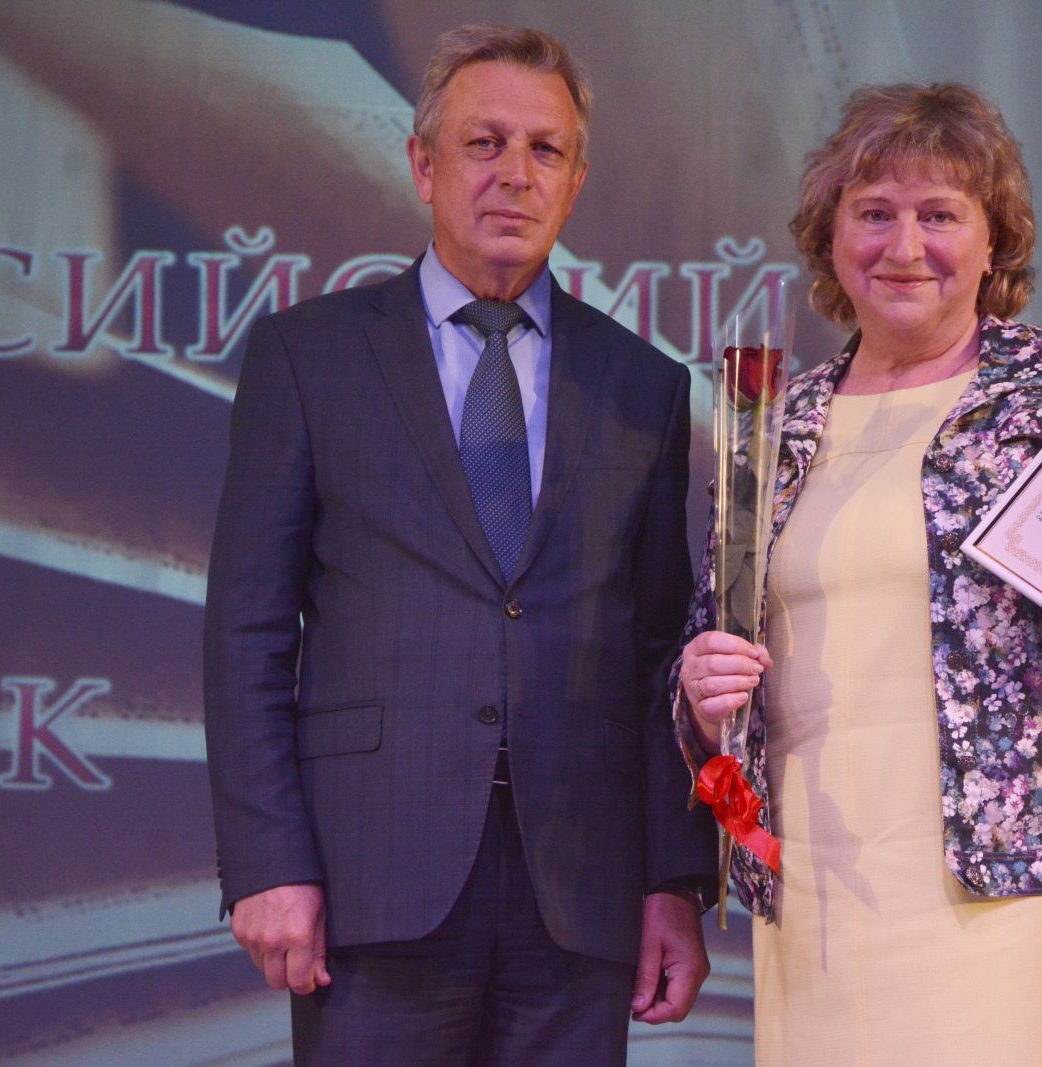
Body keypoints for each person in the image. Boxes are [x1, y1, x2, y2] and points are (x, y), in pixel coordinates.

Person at [675, 83, 1042, 1065]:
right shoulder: (768, 422)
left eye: (940, 215)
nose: (905, 246)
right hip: (824, 886)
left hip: (1028, 891)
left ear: (994, 242)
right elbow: (715, 645)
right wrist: (700, 694)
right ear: (831, 238)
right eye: (874, 213)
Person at [203, 23, 715, 1066]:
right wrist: (266, 858)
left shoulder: (644, 387)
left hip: (580, 888)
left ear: (575, 182)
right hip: (370, 879)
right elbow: (247, 630)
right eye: (484, 143)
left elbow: (659, 651)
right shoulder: (308, 356)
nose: (514, 174)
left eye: (545, 149)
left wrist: (672, 878)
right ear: (423, 165)